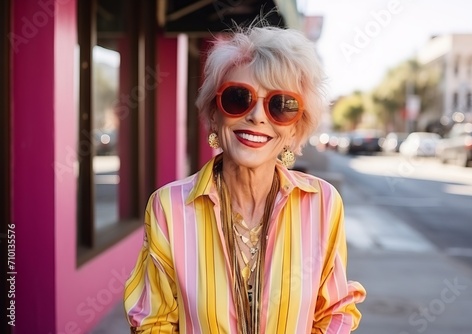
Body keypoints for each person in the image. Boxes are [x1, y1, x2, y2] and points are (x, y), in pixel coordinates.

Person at [124, 24, 366, 333]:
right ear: (214, 113)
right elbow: (152, 322)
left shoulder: (323, 204)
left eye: (281, 105)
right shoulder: (168, 207)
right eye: (239, 98)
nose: (258, 116)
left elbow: (335, 312)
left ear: (294, 129)